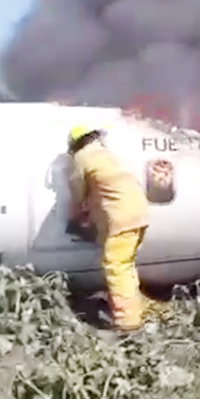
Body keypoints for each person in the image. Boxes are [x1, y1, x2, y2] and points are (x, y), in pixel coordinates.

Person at [66, 125, 150, 332]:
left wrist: (76, 216)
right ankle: (136, 313)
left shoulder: (82, 157)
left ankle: (127, 324)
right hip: (139, 214)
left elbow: (78, 191)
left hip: (121, 218)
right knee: (126, 266)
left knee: (115, 267)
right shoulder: (109, 155)